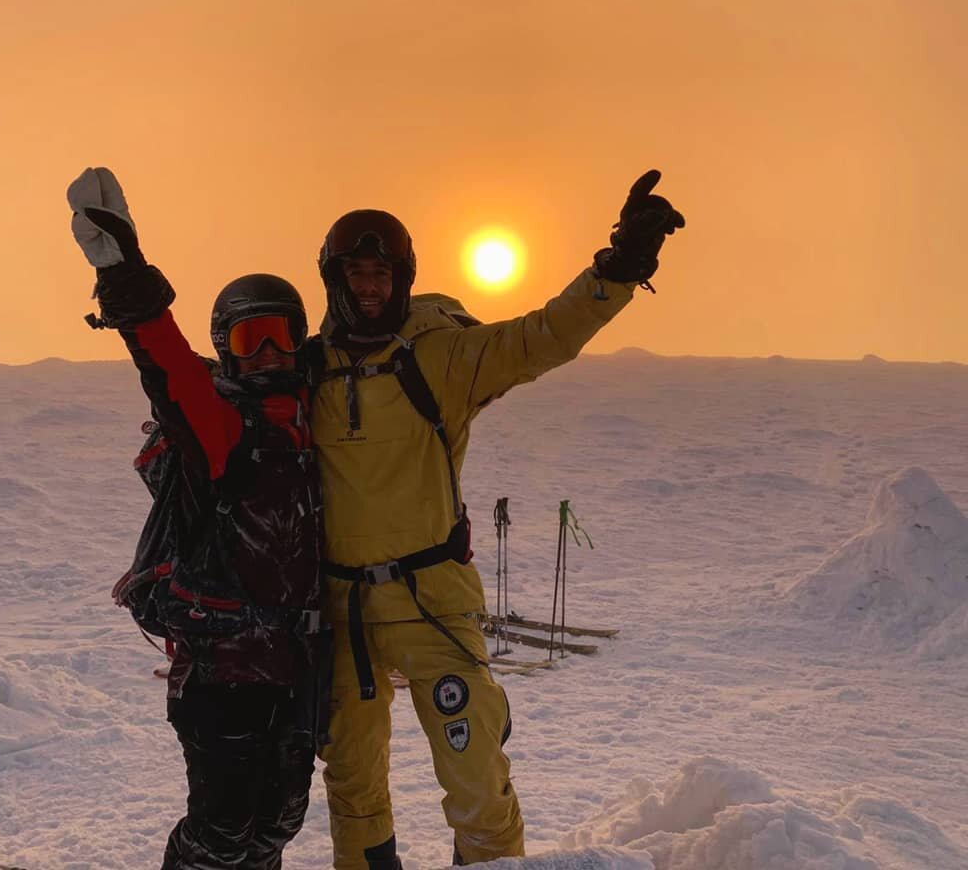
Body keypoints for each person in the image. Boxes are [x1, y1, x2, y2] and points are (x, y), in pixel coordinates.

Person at [309, 170, 685, 870]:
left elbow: (541, 337)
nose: (369, 287)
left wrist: (619, 267)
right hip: (341, 615)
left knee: (477, 783)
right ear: (333, 278)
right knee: (353, 792)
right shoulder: (311, 371)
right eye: (356, 273)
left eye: (381, 274)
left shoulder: (438, 357)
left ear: (403, 278)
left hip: (430, 604)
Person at [67, 166, 325, 870]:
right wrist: (126, 275)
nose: (269, 354)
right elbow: (171, 370)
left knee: (277, 825)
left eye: (281, 338)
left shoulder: (322, 427)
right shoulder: (220, 429)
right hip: (222, 671)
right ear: (226, 349)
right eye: (250, 341)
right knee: (221, 832)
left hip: (298, 668)